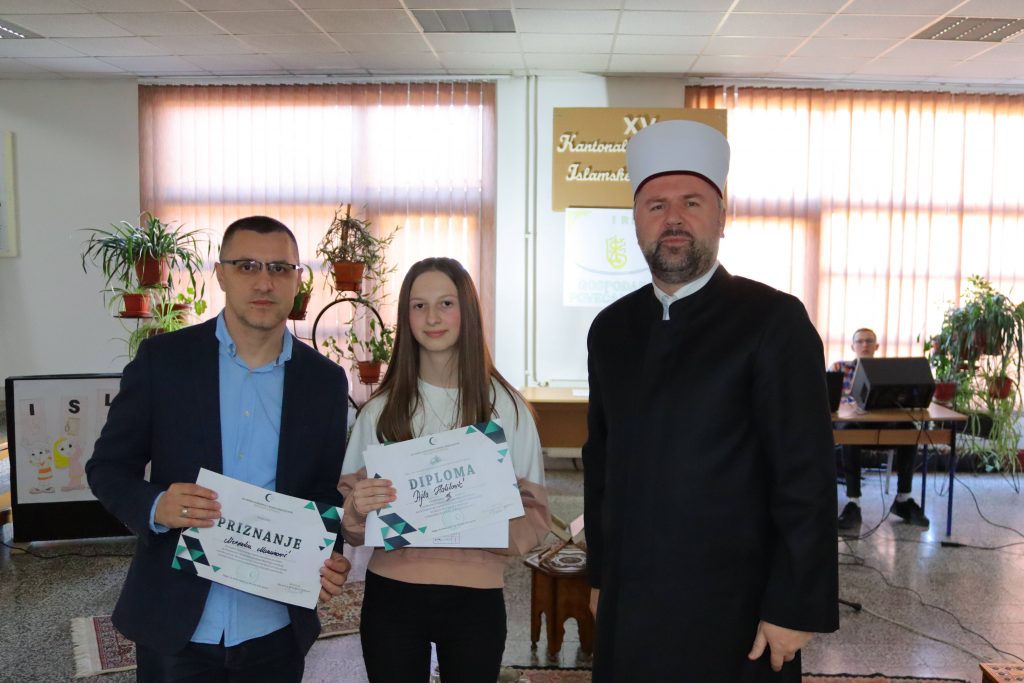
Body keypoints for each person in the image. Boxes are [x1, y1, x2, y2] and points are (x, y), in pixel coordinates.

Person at [582, 120, 839, 683]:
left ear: (722, 217)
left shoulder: (773, 321)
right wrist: (600, 574)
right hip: (631, 599)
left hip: (736, 609)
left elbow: (807, 474)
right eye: (656, 205)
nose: (672, 219)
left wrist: (795, 604)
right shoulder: (611, 329)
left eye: (691, 202)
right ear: (636, 220)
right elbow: (601, 463)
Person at [86, 216, 352, 683]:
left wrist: (328, 554)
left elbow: (323, 493)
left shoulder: (325, 382)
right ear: (221, 274)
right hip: (177, 621)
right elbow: (107, 467)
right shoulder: (163, 362)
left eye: (279, 268)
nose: (264, 282)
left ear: (297, 281)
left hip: (275, 625)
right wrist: (156, 505)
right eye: (247, 266)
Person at [338, 257, 550, 683]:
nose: (432, 318)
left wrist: (482, 526)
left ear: (466, 311)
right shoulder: (379, 411)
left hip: (475, 599)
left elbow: (536, 517)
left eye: (446, 304)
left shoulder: (506, 408)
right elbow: (350, 524)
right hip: (392, 596)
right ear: (406, 316)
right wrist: (357, 510)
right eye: (419, 306)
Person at [831, 328, 929, 532]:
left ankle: (903, 499)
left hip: (883, 422)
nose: (864, 345)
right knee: (850, 431)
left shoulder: (887, 370)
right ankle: (853, 503)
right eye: (860, 341)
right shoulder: (840, 367)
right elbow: (829, 398)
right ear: (853, 346)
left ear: (876, 346)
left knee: (909, 429)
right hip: (851, 423)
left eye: (869, 341)